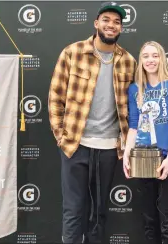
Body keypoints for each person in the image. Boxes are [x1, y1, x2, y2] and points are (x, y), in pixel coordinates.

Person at [48, 2, 137, 244]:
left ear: (121, 29)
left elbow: (134, 106)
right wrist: (61, 135)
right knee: (74, 208)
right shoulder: (72, 53)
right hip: (76, 145)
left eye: (117, 22)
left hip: (109, 148)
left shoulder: (128, 61)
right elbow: (55, 97)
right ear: (96, 23)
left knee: (99, 210)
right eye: (106, 20)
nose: (111, 25)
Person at [123, 41, 168, 244]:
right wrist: (126, 154)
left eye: (155, 55)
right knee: (149, 220)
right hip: (143, 157)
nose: (150, 60)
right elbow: (133, 126)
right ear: (140, 61)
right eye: (145, 56)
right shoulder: (135, 89)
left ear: (162, 58)